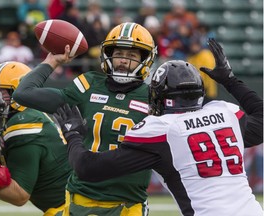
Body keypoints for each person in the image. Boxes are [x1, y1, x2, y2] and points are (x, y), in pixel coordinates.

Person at [53, 38, 263, 216]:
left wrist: (73, 135)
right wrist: (230, 80)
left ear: (158, 97)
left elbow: (87, 168)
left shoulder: (162, 130)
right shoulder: (224, 114)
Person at [13, 22, 157, 215]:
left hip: (128, 203)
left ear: (146, 59)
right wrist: (52, 61)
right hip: (81, 198)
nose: (123, 61)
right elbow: (23, 94)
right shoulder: (88, 85)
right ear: (108, 55)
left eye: (131, 56)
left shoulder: (154, 98)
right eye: (119, 54)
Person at [0, 62, 71, 215]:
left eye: (1, 93)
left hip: (69, 209)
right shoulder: (28, 116)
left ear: (19, 93)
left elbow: (19, 196)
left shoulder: (23, 123)